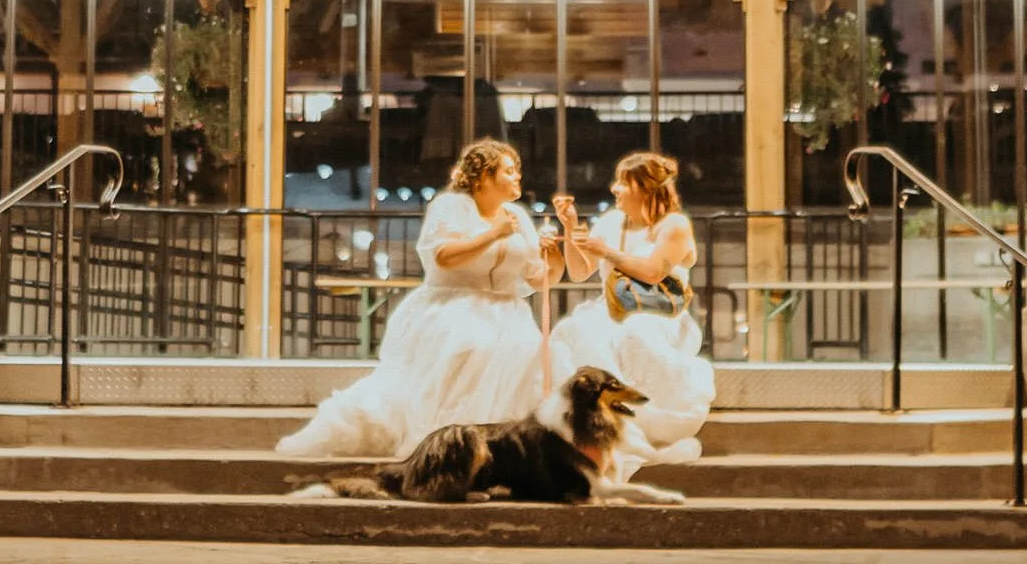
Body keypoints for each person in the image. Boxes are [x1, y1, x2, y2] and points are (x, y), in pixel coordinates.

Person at [275, 138, 553, 461]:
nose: (518, 176)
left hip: (509, 314)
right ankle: (448, 446)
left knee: (528, 360)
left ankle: (504, 450)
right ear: (484, 178)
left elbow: (537, 276)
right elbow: (443, 256)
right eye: (509, 170)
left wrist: (553, 253)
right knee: (472, 345)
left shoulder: (517, 215)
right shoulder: (452, 206)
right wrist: (493, 234)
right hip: (456, 306)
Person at [550, 148, 713, 465]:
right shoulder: (612, 221)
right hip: (611, 309)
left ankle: (632, 422)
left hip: (658, 314)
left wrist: (606, 252)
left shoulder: (674, 225)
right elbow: (580, 271)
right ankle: (593, 421)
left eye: (624, 182)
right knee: (576, 331)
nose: (615, 189)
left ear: (646, 188)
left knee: (635, 334)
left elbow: (653, 272)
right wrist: (570, 228)